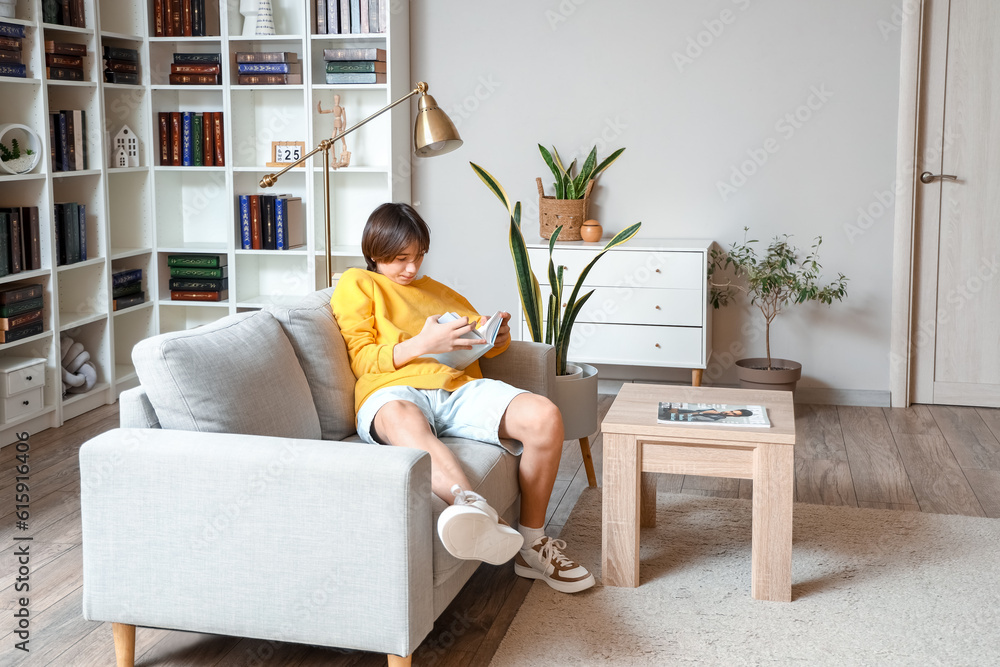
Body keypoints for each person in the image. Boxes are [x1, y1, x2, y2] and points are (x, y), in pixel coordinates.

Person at [331, 202, 594, 594]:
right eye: (400, 258)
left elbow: (474, 341)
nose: (411, 268)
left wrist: (496, 340)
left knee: (545, 417)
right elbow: (363, 359)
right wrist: (422, 343)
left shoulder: (439, 291)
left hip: (455, 387)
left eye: (418, 256)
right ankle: (471, 508)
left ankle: (532, 545)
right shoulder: (357, 283)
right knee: (404, 417)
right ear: (374, 252)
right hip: (392, 392)